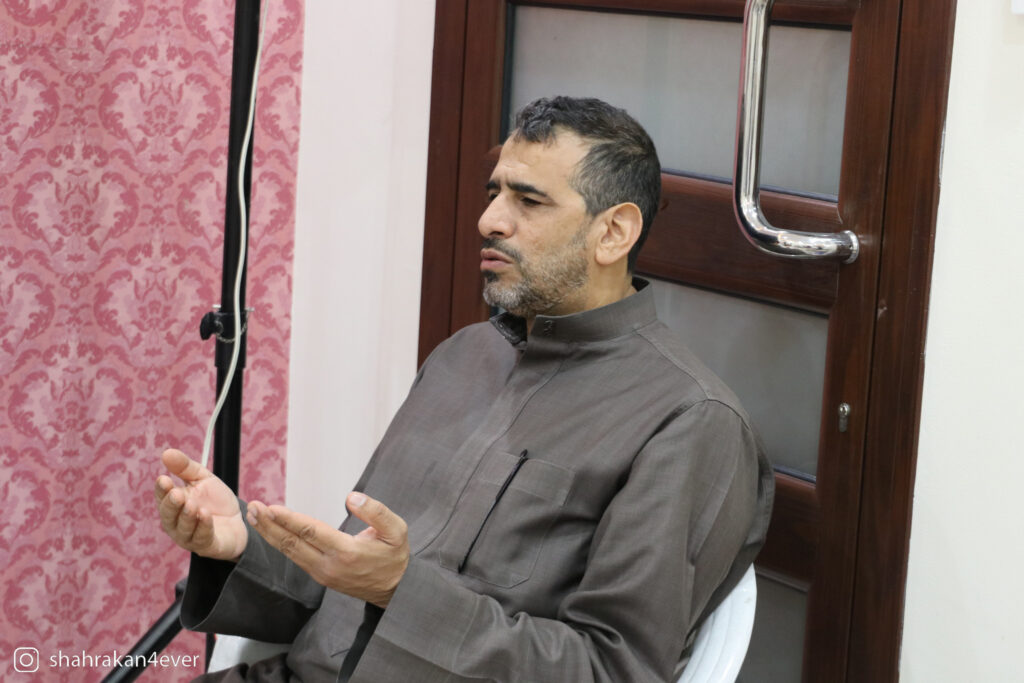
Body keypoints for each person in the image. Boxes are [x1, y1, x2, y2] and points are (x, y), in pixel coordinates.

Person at [154, 96, 774, 683]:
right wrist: (239, 547)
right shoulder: (464, 357)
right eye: (493, 192)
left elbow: (612, 671)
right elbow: (340, 603)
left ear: (613, 232)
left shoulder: (690, 421)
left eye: (528, 200)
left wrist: (400, 592)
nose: (489, 220)